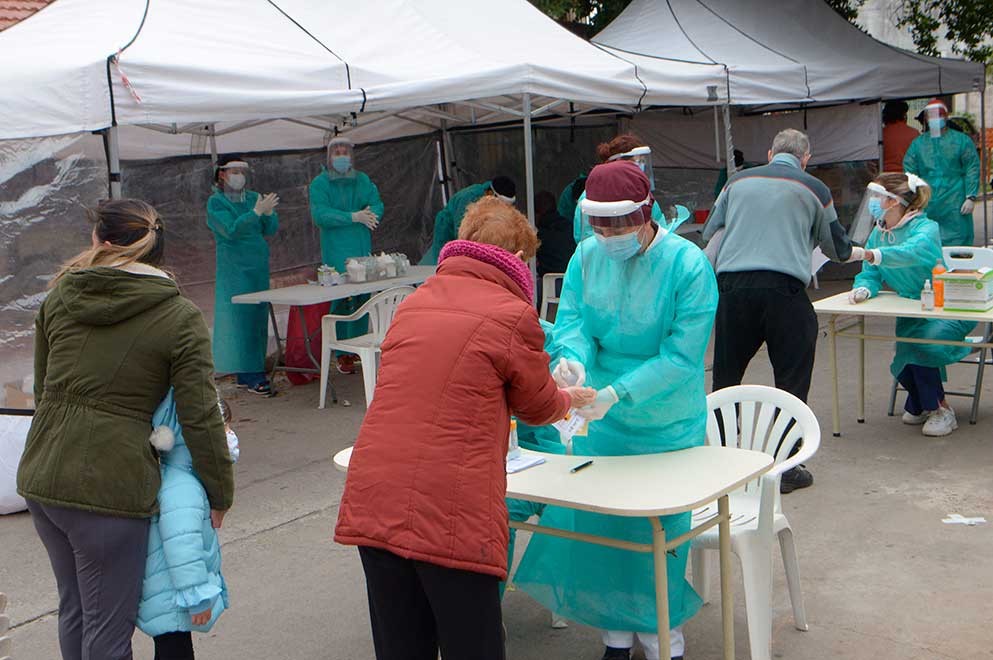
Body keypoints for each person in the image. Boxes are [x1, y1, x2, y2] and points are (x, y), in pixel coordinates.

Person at [335, 197, 595, 660]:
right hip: (450, 504)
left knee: (401, 645)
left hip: (374, 493)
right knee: (471, 643)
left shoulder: (415, 302)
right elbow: (536, 406)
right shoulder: (512, 314)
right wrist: (566, 400)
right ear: (517, 259)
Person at [514, 160, 719, 660]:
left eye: (617, 225)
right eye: (598, 224)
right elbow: (574, 322)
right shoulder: (587, 256)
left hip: (665, 420)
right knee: (603, 532)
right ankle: (616, 636)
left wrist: (617, 394)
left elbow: (682, 356)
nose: (607, 235)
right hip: (602, 422)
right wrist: (573, 366)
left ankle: (661, 636)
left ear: (646, 213)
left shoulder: (688, 265)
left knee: (659, 534)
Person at [17, 199, 233, 660]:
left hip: (41, 476)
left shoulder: (59, 296)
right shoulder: (179, 316)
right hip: (109, 487)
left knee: (75, 609)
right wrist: (219, 493)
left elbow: (43, 388)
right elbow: (200, 416)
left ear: (103, 242)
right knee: (107, 632)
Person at [703, 129, 858, 493]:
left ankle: (720, 462)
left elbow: (712, 230)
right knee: (791, 378)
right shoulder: (815, 189)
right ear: (805, 158)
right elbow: (837, 248)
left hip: (734, 288)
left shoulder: (736, 182)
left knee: (726, 374)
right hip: (785, 291)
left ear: (771, 153)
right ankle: (786, 467)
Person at [848, 173, 974, 436]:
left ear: (894, 201)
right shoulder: (879, 232)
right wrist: (863, 288)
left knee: (922, 348)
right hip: (910, 309)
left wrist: (873, 255)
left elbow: (911, 253)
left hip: (945, 307)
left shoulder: (925, 228)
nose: (874, 201)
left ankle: (941, 409)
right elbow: (870, 273)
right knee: (903, 360)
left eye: (879, 196)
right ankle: (919, 401)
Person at [138, 389, 240, 659]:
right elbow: (182, 546)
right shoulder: (183, 486)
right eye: (223, 430)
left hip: (168, 594)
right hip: (173, 596)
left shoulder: (180, 477)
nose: (229, 438)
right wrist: (196, 597)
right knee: (175, 650)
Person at [309, 136, 385, 374]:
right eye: (337, 152)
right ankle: (342, 353)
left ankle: (360, 346)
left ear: (351, 156)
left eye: (345, 152)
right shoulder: (320, 183)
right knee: (341, 298)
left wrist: (371, 215)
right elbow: (320, 214)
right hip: (336, 249)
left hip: (361, 246)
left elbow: (376, 203)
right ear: (329, 156)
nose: (341, 156)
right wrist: (353, 217)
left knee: (363, 296)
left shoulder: (361, 180)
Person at [207, 157, 280, 396]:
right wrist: (255, 213)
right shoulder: (216, 202)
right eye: (234, 171)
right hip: (234, 269)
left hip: (257, 265)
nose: (239, 176)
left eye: (242, 172)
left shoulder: (252, 198)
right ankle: (252, 374)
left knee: (257, 317)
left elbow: (269, 229)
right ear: (222, 175)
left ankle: (246, 373)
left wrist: (267, 214)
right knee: (238, 319)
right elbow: (230, 230)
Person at [903, 99, 980, 247]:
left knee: (958, 243)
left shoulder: (961, 141)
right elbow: (909, 172)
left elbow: (972, 167)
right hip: (928, 201)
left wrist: (970, 196)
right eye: (931, 116)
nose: (935, 119)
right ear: (925, 119)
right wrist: (914, 197)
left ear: (946, 116)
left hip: (955, 201)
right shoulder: (918, 144)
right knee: (929, 241)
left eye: (938, 115)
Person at [573, 134, 666, 242]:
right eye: (637, 161)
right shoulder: (592, 195)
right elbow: (585, 238)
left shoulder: (642, 194)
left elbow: (659, 231)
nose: (641, 166)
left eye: (643, 161)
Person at [419, 175, 517, 265]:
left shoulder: (489, 200)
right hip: (448, 228)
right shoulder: (469, 198)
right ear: (490, 193)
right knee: (443, 261)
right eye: (500, 203)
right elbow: (462, 230)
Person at [535, 190, 577, 311]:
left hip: (552, 288)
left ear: (537, 213)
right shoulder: (572, 228)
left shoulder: (540, 235)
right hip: (574, 285)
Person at [882, 101, 920, 172]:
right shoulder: (914, 133)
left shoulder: (880, 135)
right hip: (908, 175)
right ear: (904, 115)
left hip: (885, 177)